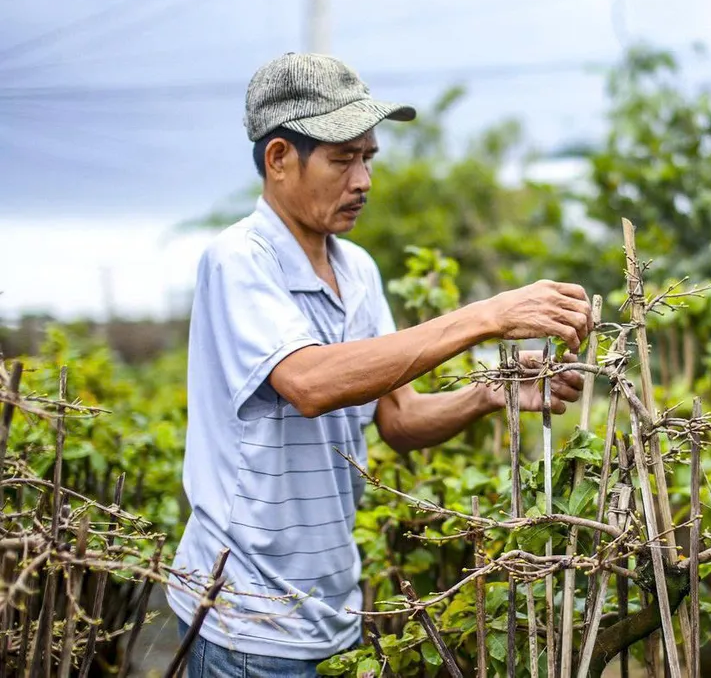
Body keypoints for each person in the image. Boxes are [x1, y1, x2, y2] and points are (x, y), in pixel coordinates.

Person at [166, 52, 593, 677]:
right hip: (244, 622)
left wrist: (491, 393)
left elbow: (398, 418)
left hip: (329, 611)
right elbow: (309, 382)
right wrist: (486, 316)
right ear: (279, 158)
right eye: (342, 159)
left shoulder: (356, 269)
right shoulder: (240, 259)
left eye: (368, 158)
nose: (362, 180)